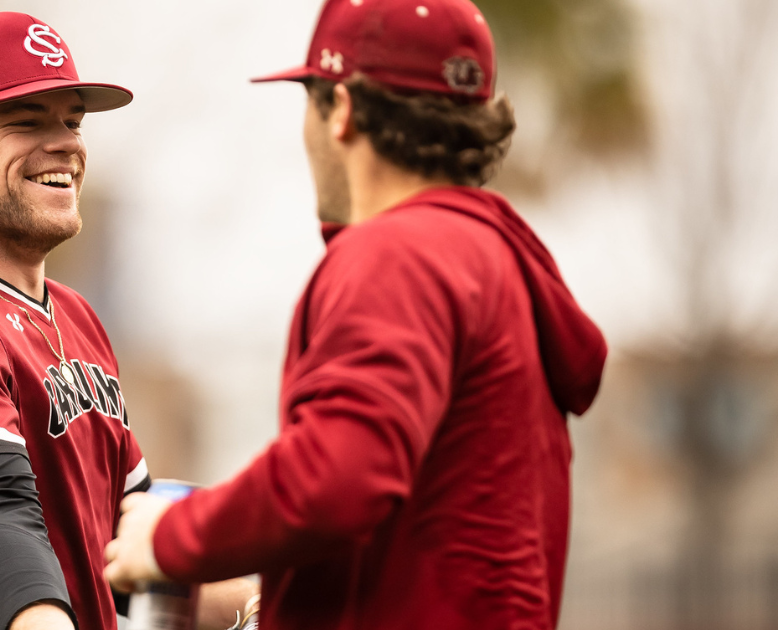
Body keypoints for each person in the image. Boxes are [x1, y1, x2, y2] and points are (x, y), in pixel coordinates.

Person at [103, 0, 608, 629]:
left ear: (340, 110)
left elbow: (340, 475)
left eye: (309, 101)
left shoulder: (399, 253)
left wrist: (172, 534)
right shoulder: (493, 258)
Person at [0, 13, 253, 630]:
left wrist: (271, 596)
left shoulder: (74, 315)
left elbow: (126, 556)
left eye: (72, 120)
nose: (66, 144)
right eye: (26, 121)